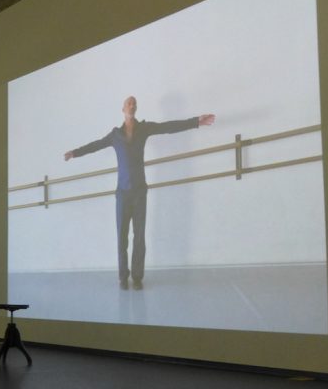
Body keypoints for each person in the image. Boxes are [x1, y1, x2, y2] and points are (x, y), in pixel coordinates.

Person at [64, 96, 215, 290]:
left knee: (139, 236)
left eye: (134, 103)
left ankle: (137, 277)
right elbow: (96, 145)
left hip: (139, 192)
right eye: (129, 103)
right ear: (123, 109)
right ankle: (122, 277)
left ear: (136, 108)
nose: (132, 105)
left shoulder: (144, 128)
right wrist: (75, 153)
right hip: (122, 193)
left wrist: (195, 122)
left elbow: (168, 127)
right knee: (122, 237)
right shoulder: (115, 135)